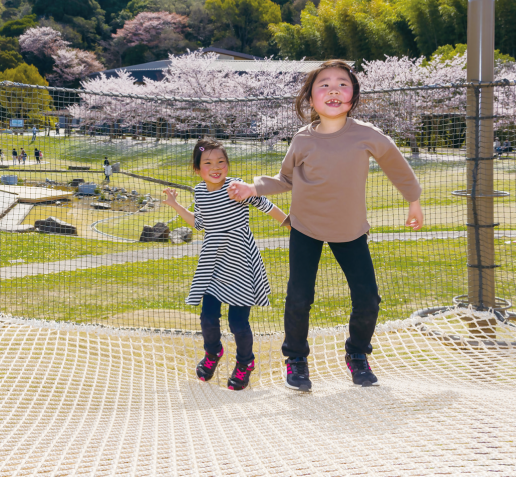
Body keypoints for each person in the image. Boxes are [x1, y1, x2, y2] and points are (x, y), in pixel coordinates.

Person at [228, 60, 423, 392]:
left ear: (354, 96)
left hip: (350, 230)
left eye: (342, 84)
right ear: (310, 98)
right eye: (324, 85)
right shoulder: (303, 140)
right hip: (305, 227)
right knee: (299, 297)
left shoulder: (367, 135)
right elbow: (285, 179)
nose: (334, 89)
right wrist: (253, 188)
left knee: (368, 299)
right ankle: (296, 360)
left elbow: (396, 165)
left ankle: (357, 354)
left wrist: (413, 199)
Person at [162, 138, 289, 391]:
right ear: (198, 169)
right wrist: (175, 205)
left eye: (221, 161)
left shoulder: (236, 188)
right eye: (208, 162)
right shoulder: (199, 192)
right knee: (208, 317)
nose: (216, 166)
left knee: (238, 323)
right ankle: (213, 353)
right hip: (213, 263)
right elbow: (200, 223)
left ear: (228, 166)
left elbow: (265, 205)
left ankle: (245, 363)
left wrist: (289, 223)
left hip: (241, 261)